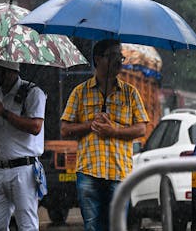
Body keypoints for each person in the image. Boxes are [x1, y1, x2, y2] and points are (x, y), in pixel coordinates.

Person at [60, 39, 149, 231]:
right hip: (89, 172)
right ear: (98, 59)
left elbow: (141, 129)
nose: (120, 61)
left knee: (117, 226)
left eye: (121, 57)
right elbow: (65, 129)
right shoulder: (80, 92)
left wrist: (114, 131)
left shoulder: (130, 93)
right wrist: (90, 125)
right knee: (92, 227)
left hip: (119, 173)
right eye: (114, 56)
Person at [0, 57, 46, 231]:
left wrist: (3, 112)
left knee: (26, 225)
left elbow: (35, 127)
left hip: (23, 170)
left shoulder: (33, 92)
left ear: (9, 72)